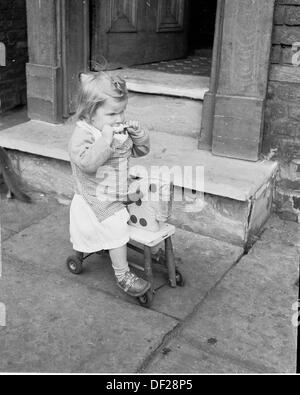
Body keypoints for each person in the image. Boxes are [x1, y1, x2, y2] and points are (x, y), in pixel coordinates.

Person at [68, 71, 151, 298]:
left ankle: (141, 241)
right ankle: (123, 274)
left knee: (146, 197)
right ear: (90, 112)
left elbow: (140, 151)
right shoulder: (83, 135)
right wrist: (105, 140)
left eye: (122, 111)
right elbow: (87, 164)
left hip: (117, 187)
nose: (119, 118)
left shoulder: (116, 128)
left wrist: (139, 135)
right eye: (112, 113)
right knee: (115, 223)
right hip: (95, 195)